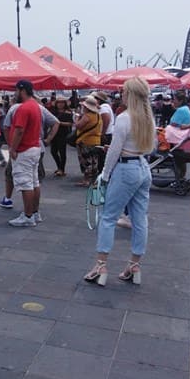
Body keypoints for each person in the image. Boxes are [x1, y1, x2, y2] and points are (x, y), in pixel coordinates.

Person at [83, 77, 155, 287]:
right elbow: (149, 147)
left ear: (129, 94)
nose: (120, 93)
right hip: (142, 166)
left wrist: (104, 175)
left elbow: (115, 150)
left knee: (108, 217)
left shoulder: (124, 118)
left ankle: (101, 265)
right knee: (139, 219)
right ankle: (134, 264)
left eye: (123, 91)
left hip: (126, 169)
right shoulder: (147, 117)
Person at [7, 80, 43, 227]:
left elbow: (19, 130)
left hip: (24, 150)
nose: (15, 94)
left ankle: (28, 216)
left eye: (16, 91)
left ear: (21, 90)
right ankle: (34, 212)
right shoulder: (36, 106)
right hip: (35, 148)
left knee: (25, 183)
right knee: (34, 182)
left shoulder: (24, 108)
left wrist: (13, 148)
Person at [73, 96, 103, 187]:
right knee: (94, 161)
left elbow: (78, 126)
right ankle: (93, 180)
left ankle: (86, 180)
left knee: (86, 161)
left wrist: (76, 118)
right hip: (96, 141)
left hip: (85, 141)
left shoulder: (87, 116)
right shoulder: (98, 116)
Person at [37, 98, 60, 180]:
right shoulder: (41, 108)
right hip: (39, 144)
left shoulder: (16, 107)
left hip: (33, 143)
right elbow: (56, 122)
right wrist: (48, 139)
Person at [50, 98, 73, 177]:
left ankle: (62, 169)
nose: (60, 104)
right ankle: (59, 166)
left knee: (62, 152)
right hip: (54, 134)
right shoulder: (53, 112)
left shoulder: (68, 112)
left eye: (62, 103)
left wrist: (59, 123)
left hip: (63, 134)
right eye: (59, 103)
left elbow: (70, 123)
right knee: (53, 151)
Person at [92, 91, 114, 174]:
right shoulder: (105, 106)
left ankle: (102, 172)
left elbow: (106, 120)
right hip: (107, 133)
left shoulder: (103, 107)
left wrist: (102, 133)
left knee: (102, 154)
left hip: (106, 133)